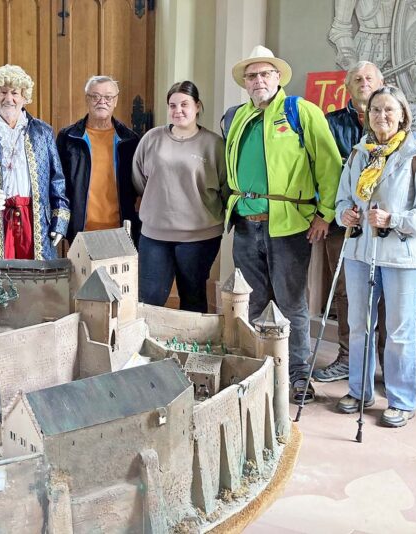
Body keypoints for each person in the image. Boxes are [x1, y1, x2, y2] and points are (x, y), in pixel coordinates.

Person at [223, 46, 341, 403]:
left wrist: (325, 213)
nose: (258, 80)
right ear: (245, 82)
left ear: (277, 77)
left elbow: (329, 164)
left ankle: (299, 374)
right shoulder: (237, 117)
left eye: (265, 74)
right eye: (251, 76)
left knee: (291, 303)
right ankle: (256, 369)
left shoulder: (300, 111)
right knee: (252, 301)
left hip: (288, 227)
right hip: (246, 225)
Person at [334, 85, 416, 428]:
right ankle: (359, 391)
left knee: (398, 331)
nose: (382, 116)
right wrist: (344, 215)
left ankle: (401, 400)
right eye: (376, 110)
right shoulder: (359, 154)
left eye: (389, 110)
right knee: (359, 326)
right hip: (360, 252)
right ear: (367, 115)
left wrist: (392, 219)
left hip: (403, 258)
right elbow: (342, 199)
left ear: (402, 115)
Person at [314, 61, 384, 382]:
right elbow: (322, 171)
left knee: (386, 293)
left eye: (369, 78)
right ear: (347, 86)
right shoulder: (330, 124)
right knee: (344, 290)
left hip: (384, 225)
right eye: (357, 78)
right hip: (343, 223)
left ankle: (384, 365)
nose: (363, 82)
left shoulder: (394, 119)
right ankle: (347, 358)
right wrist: (327, 213)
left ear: (380, 82)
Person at [0, 64, 70, 259]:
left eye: (15, 93)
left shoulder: (43, 132)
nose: (9, 99)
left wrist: (60, 222)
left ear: (24, 97)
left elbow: (56, 179)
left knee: (35, 278)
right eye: (2, 92)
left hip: (35, 223)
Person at [132, 81, 226, 312]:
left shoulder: (214, 144)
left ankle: (192, 338)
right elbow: (139, 180)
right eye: (172, 105)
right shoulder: (152, 139)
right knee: (148, 299)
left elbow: (225, 187)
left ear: (197, 106)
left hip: (199, 237)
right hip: (154, 235)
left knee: (193, 298)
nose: (178, 110)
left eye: (184, 104)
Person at [56, 75, 141, 243]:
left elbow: (139, 185)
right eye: (95, 96)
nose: (102, 102)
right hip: (81, 231)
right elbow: (58, 183)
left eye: (108, 97)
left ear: (115, 101)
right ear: (87, 99)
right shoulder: (68, 137)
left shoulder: (130, 140)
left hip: (121, 231)